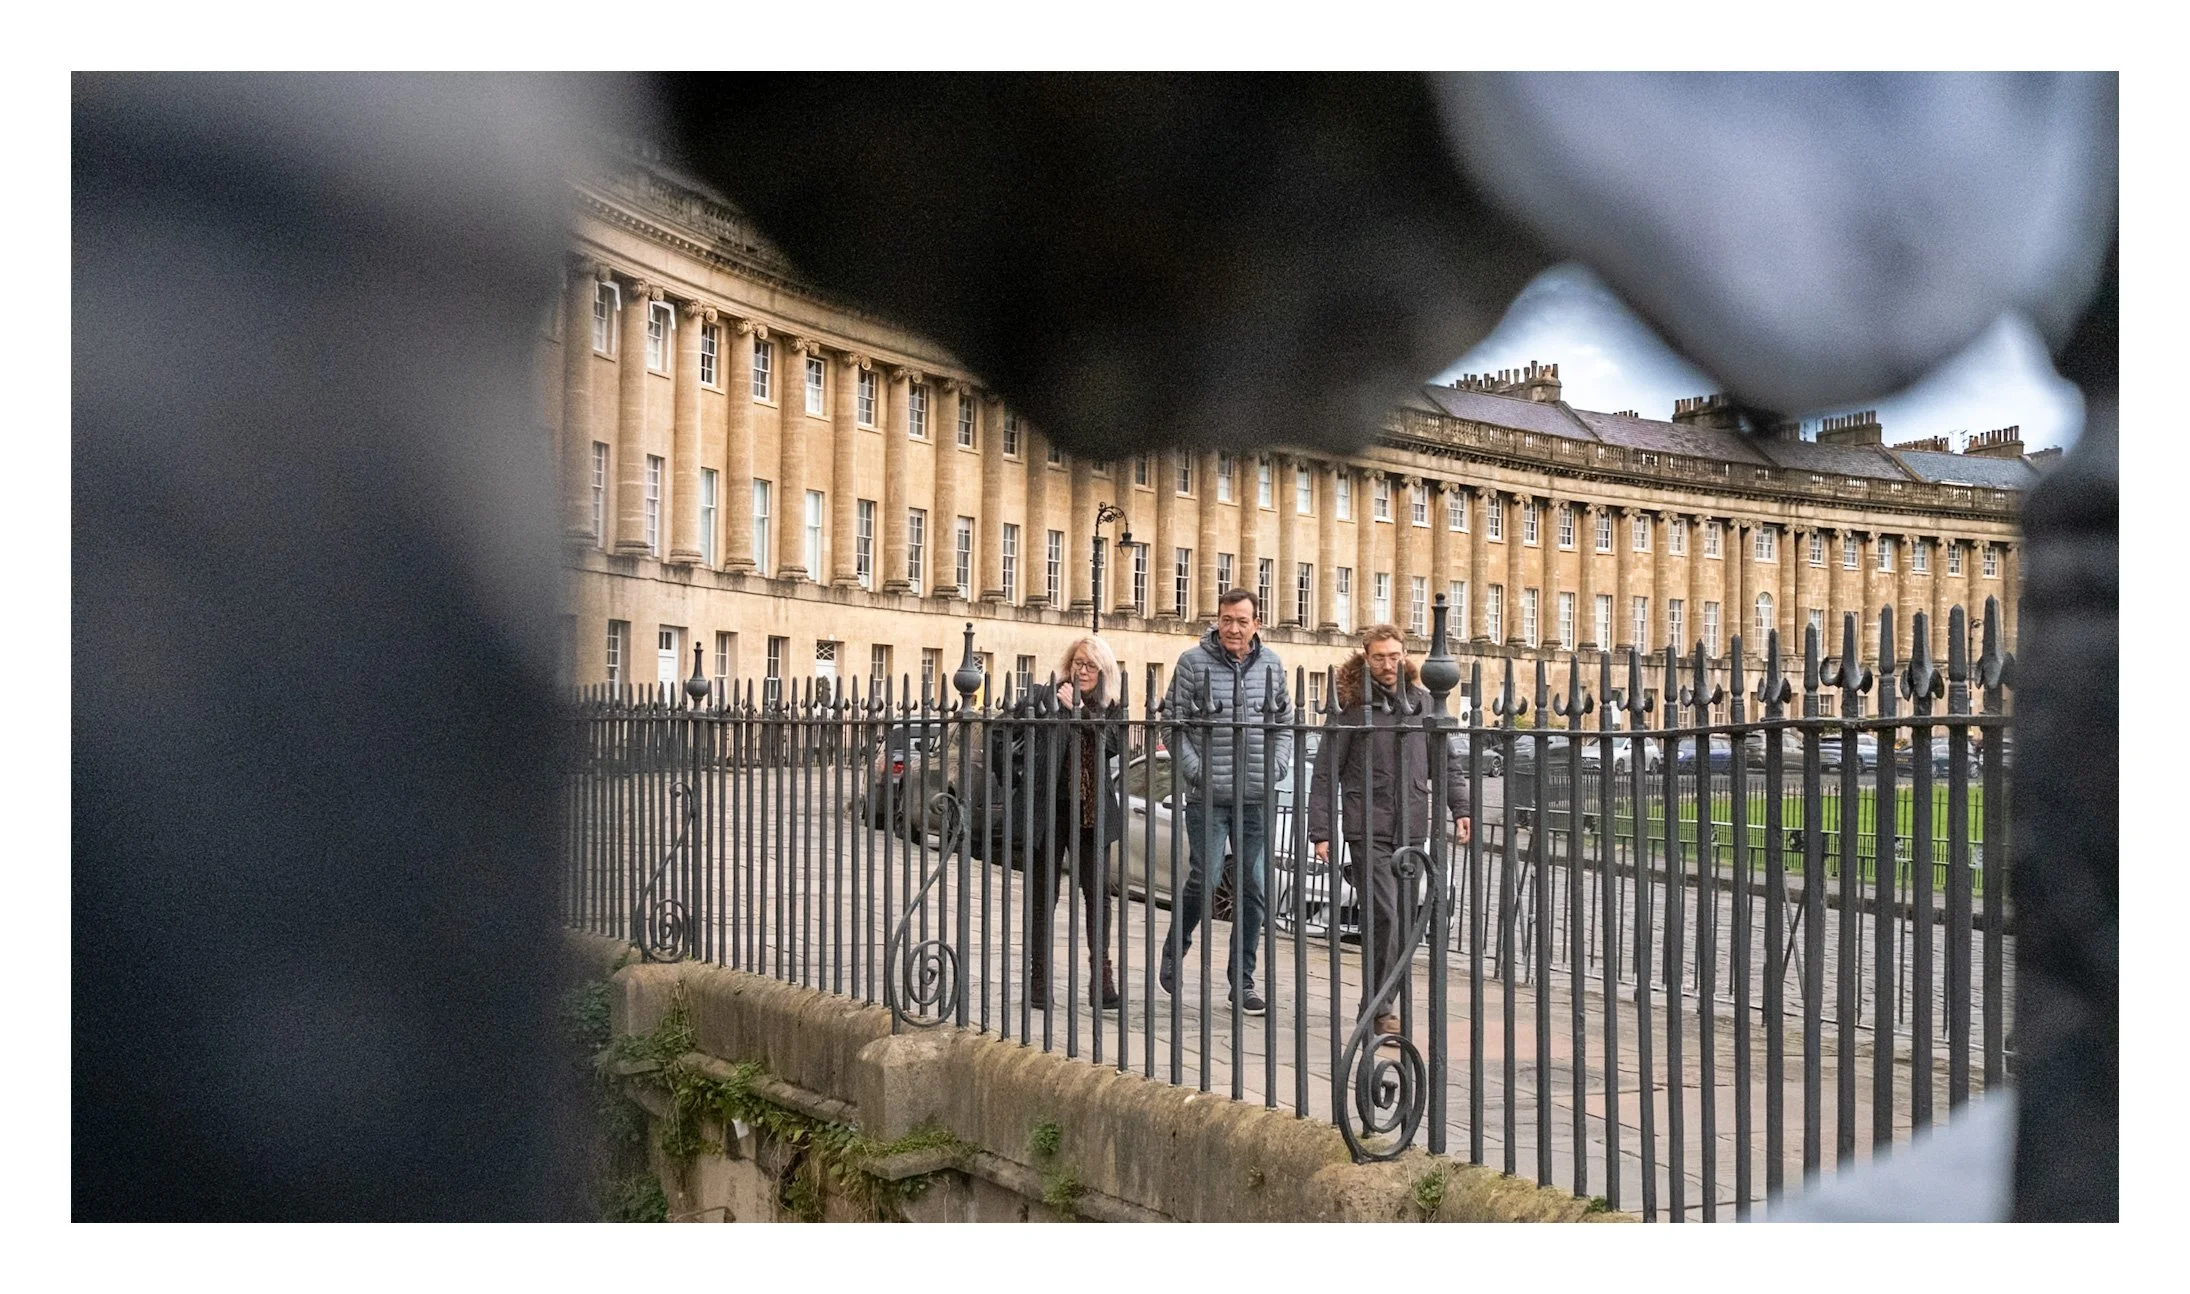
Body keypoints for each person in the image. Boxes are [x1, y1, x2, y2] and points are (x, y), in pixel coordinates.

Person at [1305, 625, 1473, 1042]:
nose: (1387, 664)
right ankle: (1381, 1009)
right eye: (1379, 656)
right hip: (1368, 826)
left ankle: (1375, 1003)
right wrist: (1321, 830)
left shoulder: (1420, 704)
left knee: (1404, 922)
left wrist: (1461, 808)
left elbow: (1445, 762)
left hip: (1412, 828)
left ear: (1404, 656)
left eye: (1394, 655)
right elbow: (1326, 770)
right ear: (1366, 656)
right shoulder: (1349, 706)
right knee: (1386, 915)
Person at [1159, 589, 1292, 1015]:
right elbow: (1171, 724)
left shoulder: (1271, 664)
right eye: (1226, 619)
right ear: (1217, 621)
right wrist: (1196, 770)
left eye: (1241, 620)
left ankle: (1244, 982)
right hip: (1208, 796)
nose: (1233, 628)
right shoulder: (1192, 663)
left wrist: (1278, 766)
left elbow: (1285, 723)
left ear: (1256, 623)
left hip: (1256, 795)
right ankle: (1175, 947)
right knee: (1207, 875)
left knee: (1254, 888)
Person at [1021, 636, 1126, 1011]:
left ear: (1103, 671)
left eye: (1091, 665)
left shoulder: (1113, 707)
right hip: (1051, 809)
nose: (1082, 671)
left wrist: (1079, 714)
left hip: (1092, 812)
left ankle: (1103, 977)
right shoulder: (1049, 696)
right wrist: (1059, 710)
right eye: (1078, 663)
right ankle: (1038, 978)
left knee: (1097, 895)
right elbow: (1026, 734)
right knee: (1043, 895)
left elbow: (1113, 745)